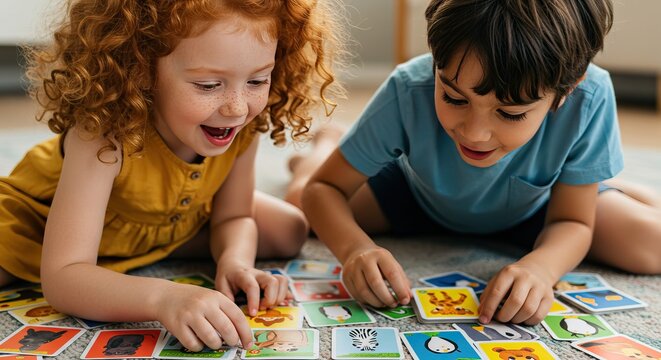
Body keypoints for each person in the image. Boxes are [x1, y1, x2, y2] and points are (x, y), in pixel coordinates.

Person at [0, 0, 345, 351]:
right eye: (209, 85)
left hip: (170, 220)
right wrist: (164, 297)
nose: (237, 107)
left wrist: (235, 262)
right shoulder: (102, 134)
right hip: (40, 224)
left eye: (257, 80)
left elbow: (235, 215)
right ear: (142, 70)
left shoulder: (243, 122)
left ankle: (313, 156)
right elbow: (63, 278)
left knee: (290, 230)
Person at [297, 0, 661, 328]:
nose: (474, 134)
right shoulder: (407, 89)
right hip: (418, 194)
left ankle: (594, 181)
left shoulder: (590, 96)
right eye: (454, 98)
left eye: (509, 113)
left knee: (651, 246)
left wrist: (541, 267)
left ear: (567, 89)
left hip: (540, 207)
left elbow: (572, 221)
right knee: (300, 206)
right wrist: (354, 249)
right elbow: (324, 189)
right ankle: (328, 143)